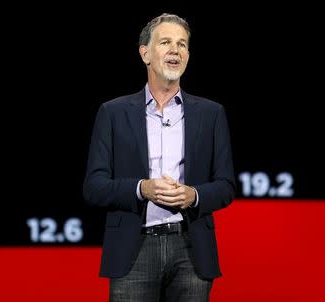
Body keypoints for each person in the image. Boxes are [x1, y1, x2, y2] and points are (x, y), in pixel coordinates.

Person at [83, 13, 235, 302]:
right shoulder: (112, 113)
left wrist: (194, 195)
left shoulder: (212, 114)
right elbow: (94, 186)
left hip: (191, 250)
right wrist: (142, 189)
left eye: (182, 44)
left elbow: (226, 185)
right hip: (134, 249)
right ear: (145, 53)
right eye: (165, 42)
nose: (175, 50)